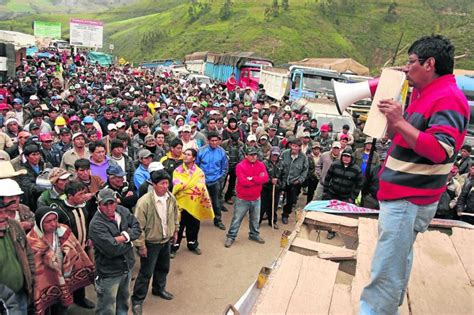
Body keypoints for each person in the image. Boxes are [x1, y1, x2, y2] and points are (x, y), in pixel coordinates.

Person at [360, 35, 470, 314]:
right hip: (406, 195)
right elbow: (411, 138)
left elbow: (441, 149)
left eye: (411, 62)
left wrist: (398, 120)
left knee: (385, 268)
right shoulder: (425, 93)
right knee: (398, 259)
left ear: (429, 63)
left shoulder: (448, 98)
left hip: (409, 197)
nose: (406, 69)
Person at [27, 206, 95, 315]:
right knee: (48, 307)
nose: (53, 224)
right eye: (48, 221)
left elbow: (76, 249)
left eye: (55, 220)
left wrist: (69, 256)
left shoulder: (64, 231)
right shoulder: (32, 240)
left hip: (65, 276)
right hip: (48, 282)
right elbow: (34, 266)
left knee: (62, 306)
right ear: (40, 223)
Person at [132, 170, 179, 315]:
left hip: (165, 240)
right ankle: (137, 300)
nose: (166, 186)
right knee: (146, 273)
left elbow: (176, 214)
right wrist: (141, 246)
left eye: (167, 183)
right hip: (151, 243)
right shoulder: (144, 202)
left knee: (163, 268)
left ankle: (159, 289)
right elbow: (138, 226)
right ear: (154, 185)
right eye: (162, 183)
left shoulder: (170, 198)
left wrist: (175, 230)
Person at [89, 188, 142, 315]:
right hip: (109, 273)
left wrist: (123, 237)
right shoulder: (96, 224)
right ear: (99, 205)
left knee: (123, 303)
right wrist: (130, 243)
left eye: (111, 203)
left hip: (126, 267)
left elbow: (137, 227)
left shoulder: (122, 211)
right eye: (105, 204)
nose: (109, 207)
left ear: (116, 201)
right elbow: (112, 250)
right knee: (107, 307)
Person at [54, 181, 95, 309]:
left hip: (83, 247)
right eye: (80, 194)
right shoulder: (60, 211)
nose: (84, 196)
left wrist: (89, 238)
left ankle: (80, 298)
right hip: (68, 252)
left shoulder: (83, 206)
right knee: (68, 277)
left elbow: (87, 222)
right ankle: (64, 301)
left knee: (81, 274)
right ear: (70, 196)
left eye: (84, 193)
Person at [171, 149, 214, 256]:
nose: (185, 156)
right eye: (184, 154)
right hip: (180, 204)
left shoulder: (199, 172)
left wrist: (185, 187)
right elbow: (177, 185)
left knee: (193, 226)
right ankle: (174, 247)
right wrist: (190, 186)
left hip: (195, 204)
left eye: (188, 155)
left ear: (194, 158)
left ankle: (192, 244)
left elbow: (200, 187)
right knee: (178, 227)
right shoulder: (177, 171)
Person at [225, 146, 268, 247]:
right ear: (246, 156)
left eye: (255, 154)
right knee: (237, 219)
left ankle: (254, 234)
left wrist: (251, 178)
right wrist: (257, 179)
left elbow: (265, 178)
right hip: (242, 198)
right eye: (251, 155)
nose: (253, 157)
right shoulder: (240, 166)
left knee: (255, 218)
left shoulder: (261, 165)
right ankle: (231, 236)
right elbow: (243, 182)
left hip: (256, 197)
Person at [0, 196, 35, 315]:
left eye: (5, 211)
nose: (4, 216)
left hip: (21, 293)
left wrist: (31, 279)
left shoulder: (15, 226)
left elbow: (28, 253)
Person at [196, 132, 228, 230]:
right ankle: (196, 220)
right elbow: (196, 165)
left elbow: (224, 168)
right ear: (208, 141)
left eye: (216, 141)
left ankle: (218, 220)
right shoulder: (201, 151)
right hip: (202, 181)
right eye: (212, 141)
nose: (214, 143)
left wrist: (220, 179)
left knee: (216, 202)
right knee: (198, 201)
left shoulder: (222, 152)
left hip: (215, 181)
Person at [279, 137, 308, 225]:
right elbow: (279, 165)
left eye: (296, 146)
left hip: (294, 182)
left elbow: (305, 170)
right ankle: (271, 214)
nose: (294, 148)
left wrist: (299, 180)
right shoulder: (284, 153)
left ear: (300, 147)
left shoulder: (303, 157)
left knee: (291, 201)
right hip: (283, 180)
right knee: (277, 198)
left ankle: (285, 215)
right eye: (293, 146)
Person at [260, 146, 282, 229]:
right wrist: (270, 180)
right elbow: (262, 176)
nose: (275, 157)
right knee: (262, 206)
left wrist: (279, 183)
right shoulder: (264, 163)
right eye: (273, 155)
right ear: (270, 154)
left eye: (276, 155)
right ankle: (258, 221)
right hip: (265, 188)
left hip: (276, 188)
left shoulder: (281, 163)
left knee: (273, 206)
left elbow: (284, 175)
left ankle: (272, 221)